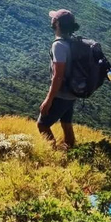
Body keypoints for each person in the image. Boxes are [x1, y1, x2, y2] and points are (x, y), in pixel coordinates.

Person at [37, 9, 80, 149]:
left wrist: (48, 100)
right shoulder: (73, 41)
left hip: (61, 94)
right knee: (66, 123)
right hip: (73, 91)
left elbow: (58, 75)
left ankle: (52, 153)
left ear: (57, 23)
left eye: (53, 19)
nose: (51, 20)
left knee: (42, 124)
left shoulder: (59, 45)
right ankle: (71, 151)